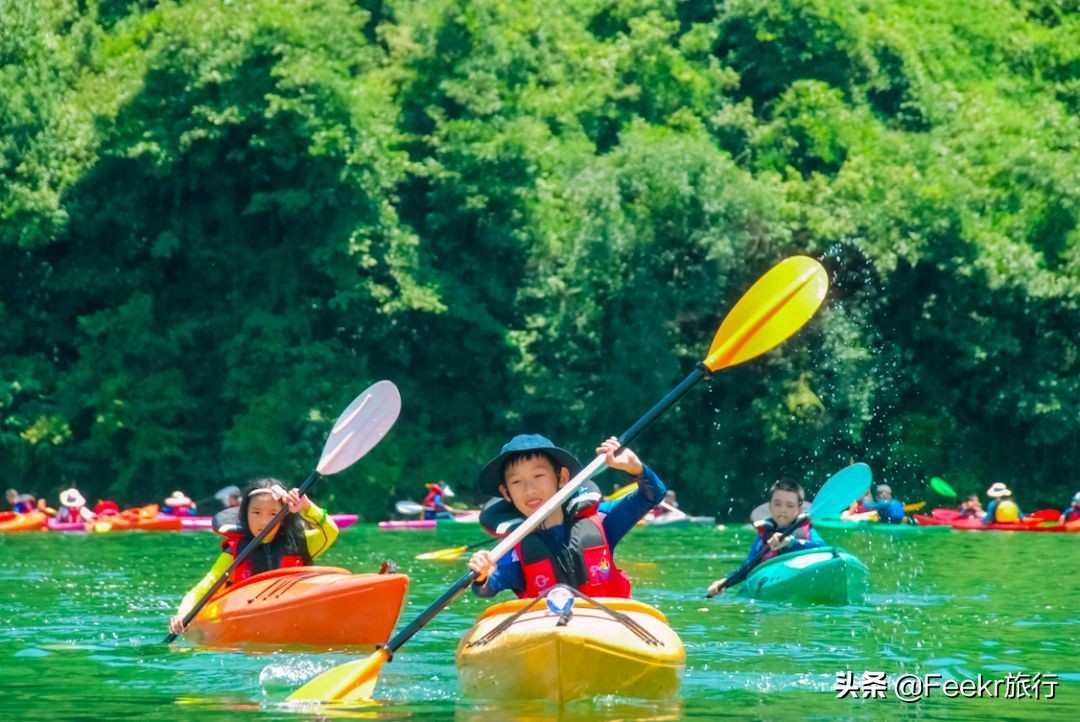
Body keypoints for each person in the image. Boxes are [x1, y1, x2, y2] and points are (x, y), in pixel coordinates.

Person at [467, 434, 665, 599]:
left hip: (608, 625)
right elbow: (487, 588)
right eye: (517, 482)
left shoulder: (602, 520)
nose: (529, 489)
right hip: (549, 629)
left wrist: (636, 467)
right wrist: (481, 576)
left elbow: (653, 495)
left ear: (562, 478)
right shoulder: (512, 550)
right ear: (506, 492)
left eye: (538, 476)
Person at [168, 477, 339, 635]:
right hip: (247, 623)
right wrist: (183, 614)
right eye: (256, 513)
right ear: (245, 514)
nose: (264, 521)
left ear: (284, 517)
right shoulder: (235, 553)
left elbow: (331, 532)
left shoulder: (300, 543)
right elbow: (205, 587)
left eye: (273, 514)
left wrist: (308, 506)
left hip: (294, 617)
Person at [707, 477, 826, 596]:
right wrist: (725, 581)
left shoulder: (808, 530)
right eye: (777, 504)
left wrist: (791, 542)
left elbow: (822, 548)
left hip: (802, 574)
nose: (783, 510)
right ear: (770, 506)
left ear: (799, 509)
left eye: (789, 505)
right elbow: (748, 566)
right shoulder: (764, 535)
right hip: (771, 580)